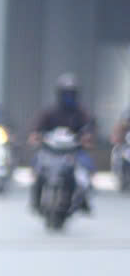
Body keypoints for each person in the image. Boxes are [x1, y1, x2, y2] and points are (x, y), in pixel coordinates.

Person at [29, 74, 97, 216]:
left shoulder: (81, 113)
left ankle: (83, 199)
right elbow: (37, 127)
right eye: (66, 93)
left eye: (71, 93)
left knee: (86, 168)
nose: (68, 96)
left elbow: (89, 128)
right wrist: (36, 136)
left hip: (73, 151)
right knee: (38, 167)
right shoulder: (50, 112)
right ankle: (35, 200)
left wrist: (87, 137)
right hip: (51, 151)